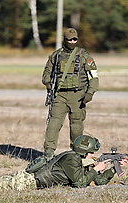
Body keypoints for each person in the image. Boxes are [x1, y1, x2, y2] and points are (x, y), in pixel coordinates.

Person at [0, 135, 126, 191]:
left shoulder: (76, 159)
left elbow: (94, 181)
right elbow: (80, 183)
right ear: (85, 151)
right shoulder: (71, 159)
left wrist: (111, 171)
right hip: (25, 182)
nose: (94, 155)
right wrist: (97, 168)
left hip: (32, 181)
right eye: (92, 152)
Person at [42, 28, 99, 160]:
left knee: (76, 125)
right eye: (70, 39)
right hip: (60, 96)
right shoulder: (56, 56)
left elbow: (94, 77)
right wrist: (49, 84)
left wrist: (90, 93)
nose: (72, 41)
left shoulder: (84, 56)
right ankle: (48, 153)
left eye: (75, 39)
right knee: (53, 124)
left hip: (78, 96)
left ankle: (76, 154)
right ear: (65, 40)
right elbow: (46, 74)